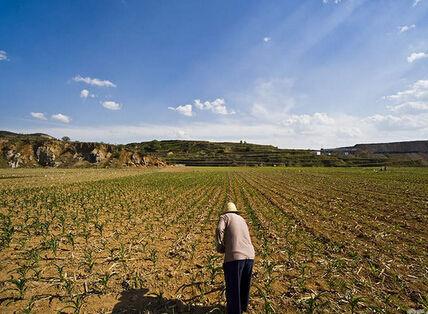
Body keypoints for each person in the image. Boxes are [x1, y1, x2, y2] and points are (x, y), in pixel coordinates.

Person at [215, 202, 255, 314]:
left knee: (233, 287)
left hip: (235, 257)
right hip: (250, 255)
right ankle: (242, 308)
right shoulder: (241, 219)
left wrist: (220, 245)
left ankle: (234, 311)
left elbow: (219, 229)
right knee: (244, 285)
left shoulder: (225, 217)